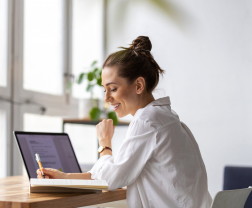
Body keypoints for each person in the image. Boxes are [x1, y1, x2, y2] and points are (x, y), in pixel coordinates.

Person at [36, 36, 212, 208]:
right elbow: (116, 172)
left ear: (138, 86)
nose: (107, 98)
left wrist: (104, 143)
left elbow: (110, 179)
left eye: (113, 88)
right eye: (104, 90)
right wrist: (65, 177)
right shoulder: (167, 118)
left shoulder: (147, 121)